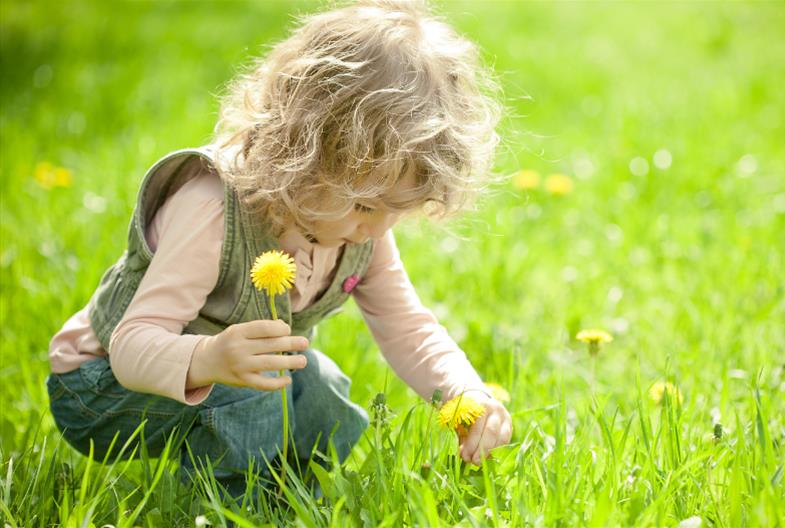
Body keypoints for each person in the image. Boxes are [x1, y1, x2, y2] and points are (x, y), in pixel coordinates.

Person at [45, 0, 512, 498]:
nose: (378, 230)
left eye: (398, 210)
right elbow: (132, 346)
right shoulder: (213, 207)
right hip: (102, 388)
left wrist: (464, 393)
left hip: (217, 376)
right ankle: (229, 505)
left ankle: (292, 490)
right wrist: (209, 357)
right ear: (307, 153)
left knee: (321, 386)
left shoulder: (362, 231)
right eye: (368, 206)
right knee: (256, 384)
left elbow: (409, 327)